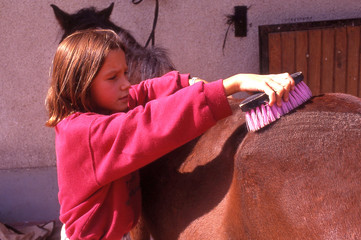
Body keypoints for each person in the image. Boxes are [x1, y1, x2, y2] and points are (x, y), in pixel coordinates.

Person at [45, 29, 295, 240]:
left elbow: (142, 92)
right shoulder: (84, 134)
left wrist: (184, 83)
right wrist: (232, 84)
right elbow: (150, 122)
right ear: (82, 85)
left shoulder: (104, 107)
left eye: (124, 73)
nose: (125, 84)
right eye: (113, 77)